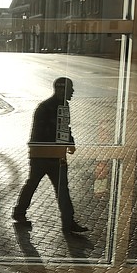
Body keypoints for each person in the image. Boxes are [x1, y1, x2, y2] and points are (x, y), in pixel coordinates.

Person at [12, 77, 88, 235]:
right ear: (61, 90)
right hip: (48, 154)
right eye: (70, 89)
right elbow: (57, 130)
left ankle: (20, 212)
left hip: (44, 154)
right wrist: (66, 142)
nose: (73, 92)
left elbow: (64, 128)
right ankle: (68, 222)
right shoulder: (51, 107)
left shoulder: (57, 105)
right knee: (59, 188)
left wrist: (69, 142)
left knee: (35, 184)